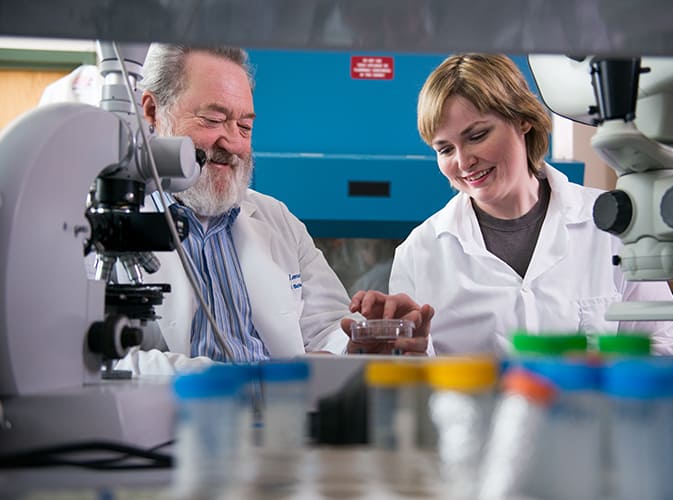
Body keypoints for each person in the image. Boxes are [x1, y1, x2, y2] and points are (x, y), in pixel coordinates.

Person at [111, 43, 432, 375]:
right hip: (167, 422)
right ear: (151, 111)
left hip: (283, 422)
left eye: (245, 127)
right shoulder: (102, 221)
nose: (233, 143)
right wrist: (248, 382)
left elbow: (328, 329)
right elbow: (90, 359)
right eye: (213, 120)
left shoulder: (277, 220)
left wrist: (363, 342)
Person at [388, 53, 673, 357]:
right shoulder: (419, 252)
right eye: (445, 149)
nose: (463, 161)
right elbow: (407, 371)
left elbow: (660, 344)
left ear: (523, 120)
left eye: (477, 136)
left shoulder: (610, 223)